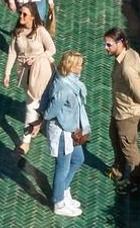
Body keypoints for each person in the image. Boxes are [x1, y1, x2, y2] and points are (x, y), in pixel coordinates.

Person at [104, 27, 140, 191]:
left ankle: (135, 181)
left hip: (127, 114)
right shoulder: (131, 53)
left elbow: (138, 91)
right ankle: (118, 169)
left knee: (128, 147)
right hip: (118, 109)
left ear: (121, 43)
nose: (106, 48)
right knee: (114, 136)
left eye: (109, 45)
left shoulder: (126, 68)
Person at [41, 51, 90, 218]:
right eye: (80, 64)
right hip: (62, 132)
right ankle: (58, 202)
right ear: (72, 66)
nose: (82, 67)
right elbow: (50, 112)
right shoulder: (63, 87)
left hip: (72, 130)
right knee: (62, 167)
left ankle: (63, 190)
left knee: (78, 159)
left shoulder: (71, 81)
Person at [4, 2, 56, 154]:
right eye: (20, 13)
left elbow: (52, 49)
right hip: (25, 73)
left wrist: (38, 57)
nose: (21, 16)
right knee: (34, 101)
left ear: (33, 17)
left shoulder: (40, 31)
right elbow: (12, 52)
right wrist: (7, 73)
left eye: (25, 14)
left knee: (32, 104)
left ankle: (25, 141)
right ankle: (38, 121)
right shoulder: (18, 32)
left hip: (42, 72)